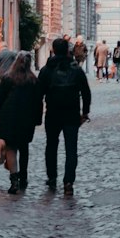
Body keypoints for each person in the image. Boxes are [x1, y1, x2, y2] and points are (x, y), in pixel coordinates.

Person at [37, 35, 91, 196]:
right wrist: (85, 112)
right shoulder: (76, 69)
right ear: (68, 50)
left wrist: (37, 114)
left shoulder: (46, 70)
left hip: (53, 113)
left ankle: (52, 177)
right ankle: (68, 182)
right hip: (71, 114)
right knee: (71, 149)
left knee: (51, 146)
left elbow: (38, 94)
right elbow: (86, 92)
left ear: (53, 50)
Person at [0, 52, 42, 195]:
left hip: (9, 117)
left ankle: (14, 180)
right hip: (27, 119)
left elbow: (0, 98)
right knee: (24, 148)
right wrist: (38, 119)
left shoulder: (8, 78)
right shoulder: (33, 80)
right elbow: (38, 102)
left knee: (11, 148)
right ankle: (23, 177)